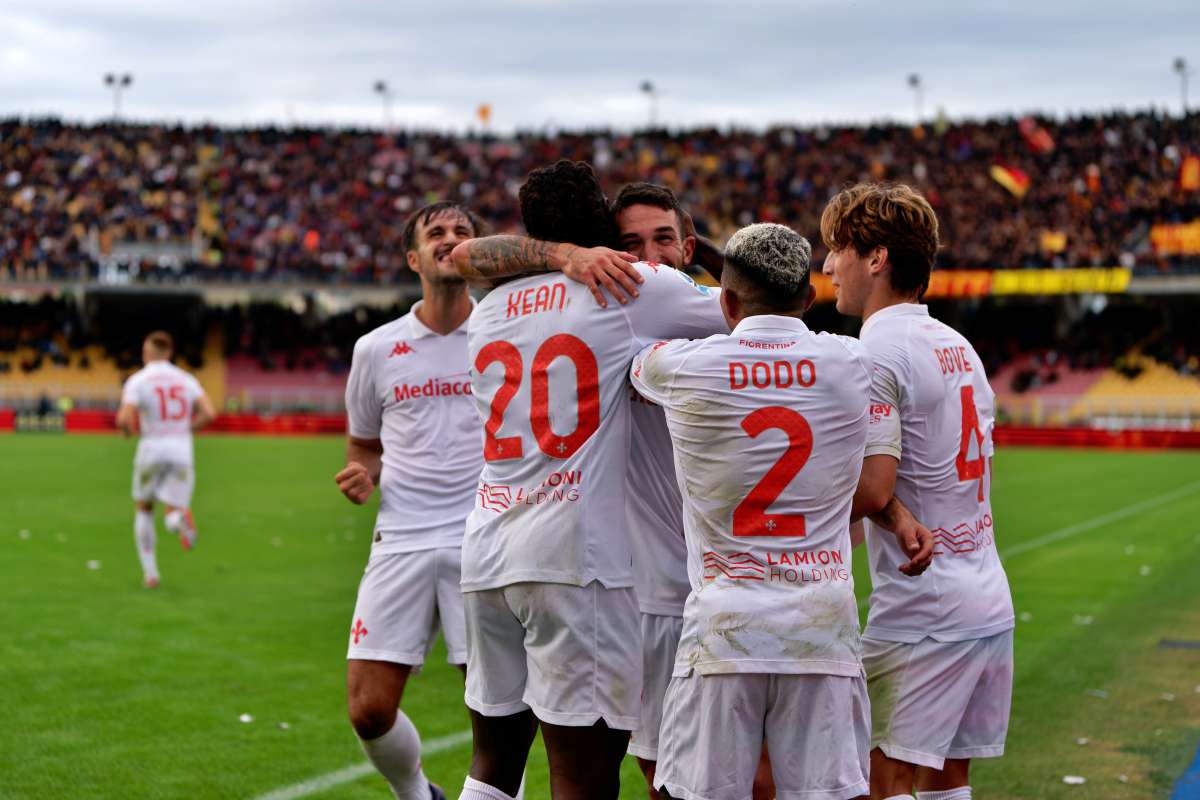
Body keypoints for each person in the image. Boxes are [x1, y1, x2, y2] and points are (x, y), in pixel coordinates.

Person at [450, 160, 728, 800]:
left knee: (493, 761)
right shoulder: (630, 284)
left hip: (488, 547)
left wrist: (556, 254)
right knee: (584, 775)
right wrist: (701, 252)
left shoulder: (489, 303)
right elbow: (754, 305)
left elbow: (466, 255)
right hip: (574, 559)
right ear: (601, 222)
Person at [628, 223, 932, 800]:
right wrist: (896, 514)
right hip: (822, 626)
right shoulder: (852, 361)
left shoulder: (679, 365)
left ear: (727, 302)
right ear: (809, 298)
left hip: (724, 626)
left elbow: (638, 362)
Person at [822, 183, 1015, 800]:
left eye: (838, 249)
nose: (829, 266)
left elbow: (873, 489)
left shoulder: (876, 350)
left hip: (924, 609)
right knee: (946, 779)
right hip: (986, 595)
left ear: (876, 258)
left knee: (882, 778)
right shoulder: (959, 345)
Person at [335, 201, 485, 800]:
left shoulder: (506, 331)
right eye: (436, 232)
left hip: (485, 535)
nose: (450, 239)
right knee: (368, 709)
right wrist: (361, 475)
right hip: (401, 536)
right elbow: (364, 445)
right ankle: (418, 795)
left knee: (497, 710)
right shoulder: (376, 348)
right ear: (414, 259)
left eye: (462, 231)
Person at [116, 331, 215, 588]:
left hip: (152, 449)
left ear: (145, 353)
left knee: (145, 509)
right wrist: (186, 430)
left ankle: (151, 574)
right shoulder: (186, 379)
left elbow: (124, 418)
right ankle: (178, 520)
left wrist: (126, 431)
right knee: (173, 508)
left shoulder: (138, 380)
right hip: (182, 451)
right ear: (169, 353)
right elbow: (209, 412)